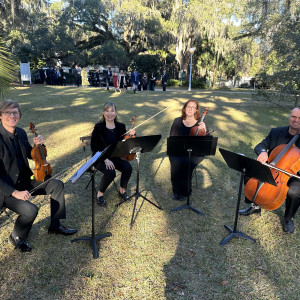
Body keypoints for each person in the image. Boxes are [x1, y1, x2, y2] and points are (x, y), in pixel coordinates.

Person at [0, 100, 77, 252]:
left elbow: (29, 153)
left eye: (15, 112)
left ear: (20, 115)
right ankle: (17, 237)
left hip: (25, 181)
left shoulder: (21, 132)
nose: (12, 116)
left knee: (57, 185)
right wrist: (15, 192)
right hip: (6, 189)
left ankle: (56, 226)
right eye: (7, 113)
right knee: (31, 210)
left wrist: (36, 147)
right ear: (0, 116)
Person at [239, 107, 300, 233]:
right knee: (249, 171)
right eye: (293, 116)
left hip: (293, 174)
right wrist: (263, 152)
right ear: (289, 117)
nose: (296, 120)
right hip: (272, 168)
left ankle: (288, 218)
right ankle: (254, 206)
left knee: (295, 192)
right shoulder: (276, 132)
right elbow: (261, 146)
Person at [90, 102, 135, 206]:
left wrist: (132, 135)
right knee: (110, 172)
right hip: (100, 158)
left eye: (112, 110)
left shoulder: (120, 127)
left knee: (127, 167)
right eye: (107, 110)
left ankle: (122, 190)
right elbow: (94, 147)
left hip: (115, 156)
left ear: (116, 113)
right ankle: (100, 194)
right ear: (103, 112)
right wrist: (105, 159)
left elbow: (124, 143)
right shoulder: (98, 127)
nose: (110, 113)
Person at [169, 100, 207, 200]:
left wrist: (204, 130)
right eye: (188, 106)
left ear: (196, 110)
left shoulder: (200, 123)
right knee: (175, 166)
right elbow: (172, 138)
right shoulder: (177, 121)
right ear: (184, 109)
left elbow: (204, 143)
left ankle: (185, 192)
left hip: (195, 153)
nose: (190, 109)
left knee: (186, 165)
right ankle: (176, 190)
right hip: (178, 150)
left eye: (193, 107)